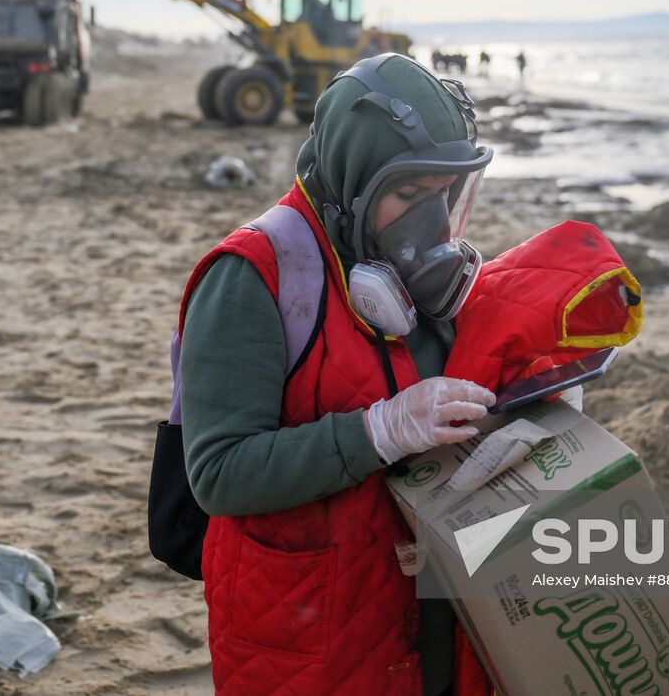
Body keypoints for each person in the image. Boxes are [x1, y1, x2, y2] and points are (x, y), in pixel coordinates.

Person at [177, 53, 495, 694]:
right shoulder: (251, 276)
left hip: (421, 617)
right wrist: (375, 433)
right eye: (408, 194)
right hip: (306, 636)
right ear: (353, 179)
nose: (430, 224)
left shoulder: (401, 267)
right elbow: (218, 473)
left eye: (444, 195)